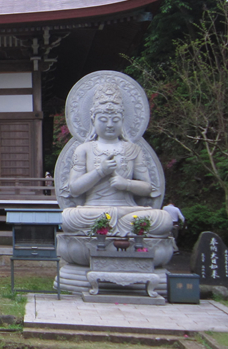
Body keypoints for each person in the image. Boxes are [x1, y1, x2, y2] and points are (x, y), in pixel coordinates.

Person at [60, 81, 172, 236]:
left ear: (123, 120)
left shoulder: (133, 149)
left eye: (115, 119)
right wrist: (100, 171)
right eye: (103, 120)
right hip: (93, 210)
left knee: (163, 218)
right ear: (93, 120)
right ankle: (122, 233)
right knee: (68, 217)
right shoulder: (84, 149)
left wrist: (126, 184)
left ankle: (107, 231)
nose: (110, 124)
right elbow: (74, 188)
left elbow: (147, 188)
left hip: (128, 210)